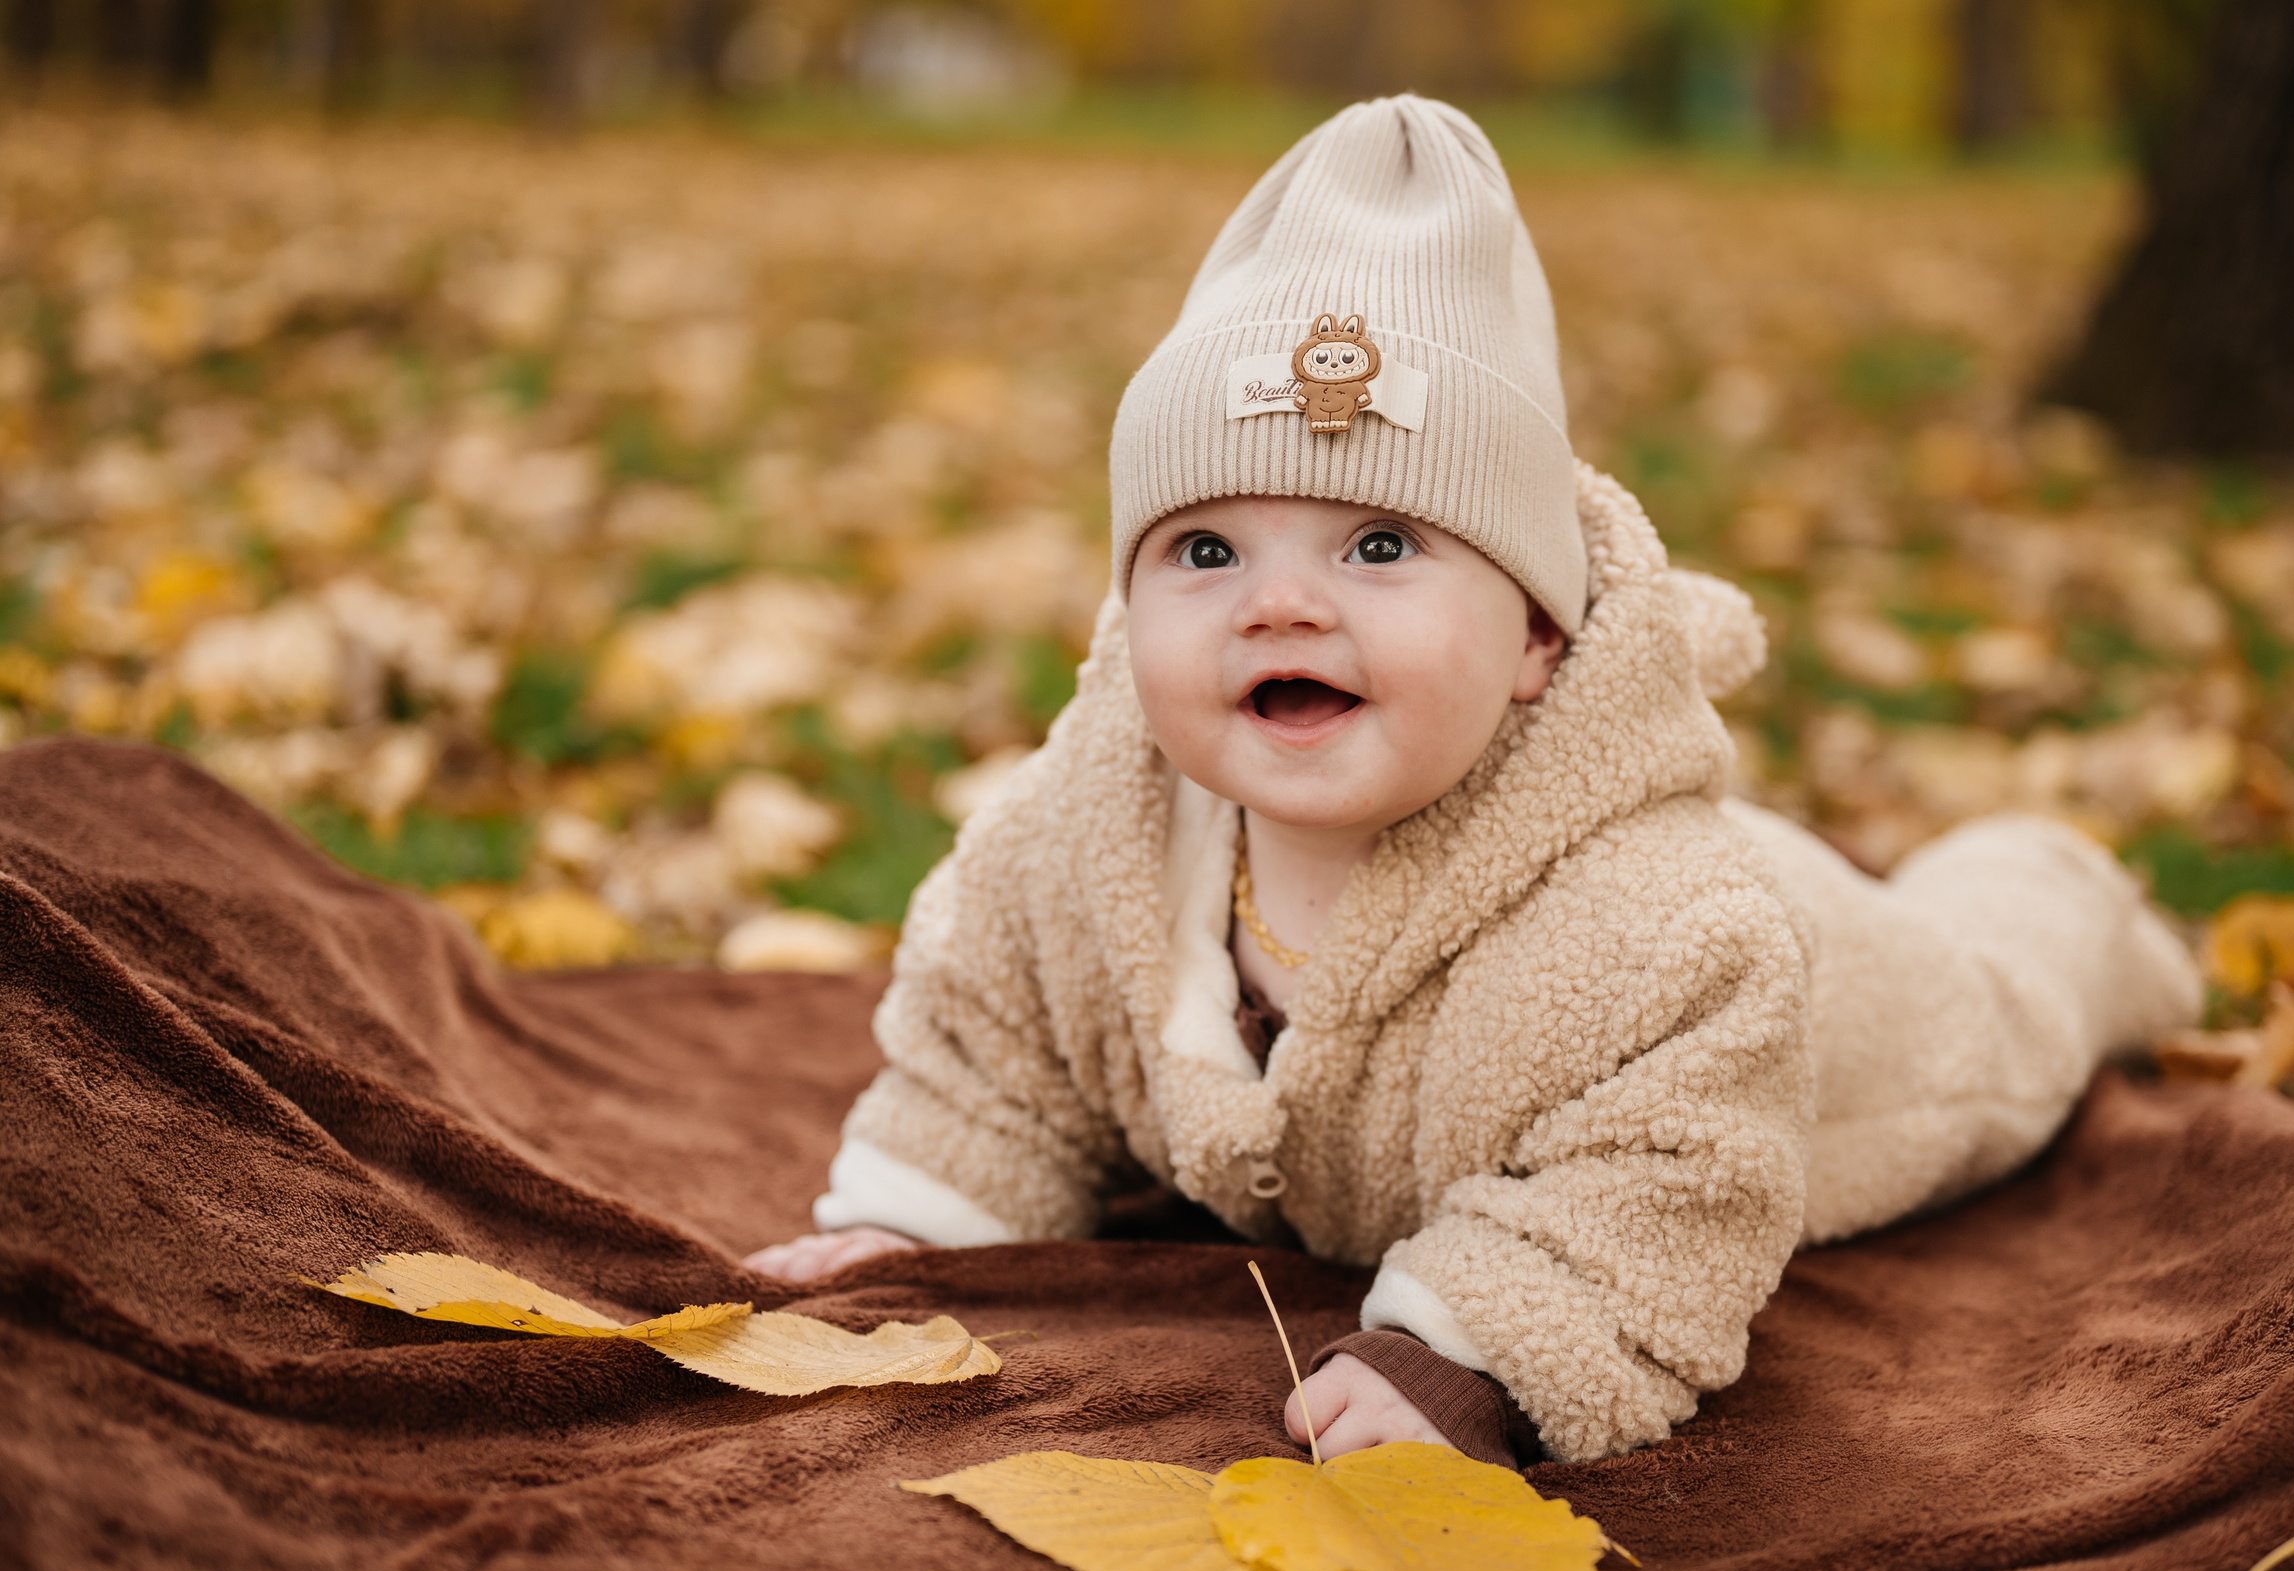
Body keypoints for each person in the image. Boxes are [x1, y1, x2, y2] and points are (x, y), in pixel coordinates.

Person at [745, 95, 2200, 1467]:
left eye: (1379, 547)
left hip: (1865, 1030)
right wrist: (919, 1220)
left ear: (1537, 637)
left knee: (2007, 993)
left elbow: (1668, 1182)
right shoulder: (1079, 846)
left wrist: (1478, 1354)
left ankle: (2059, 882)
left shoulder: (1668, 935)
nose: (1281, 605)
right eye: (1207, 551)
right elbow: (1000, 1038)